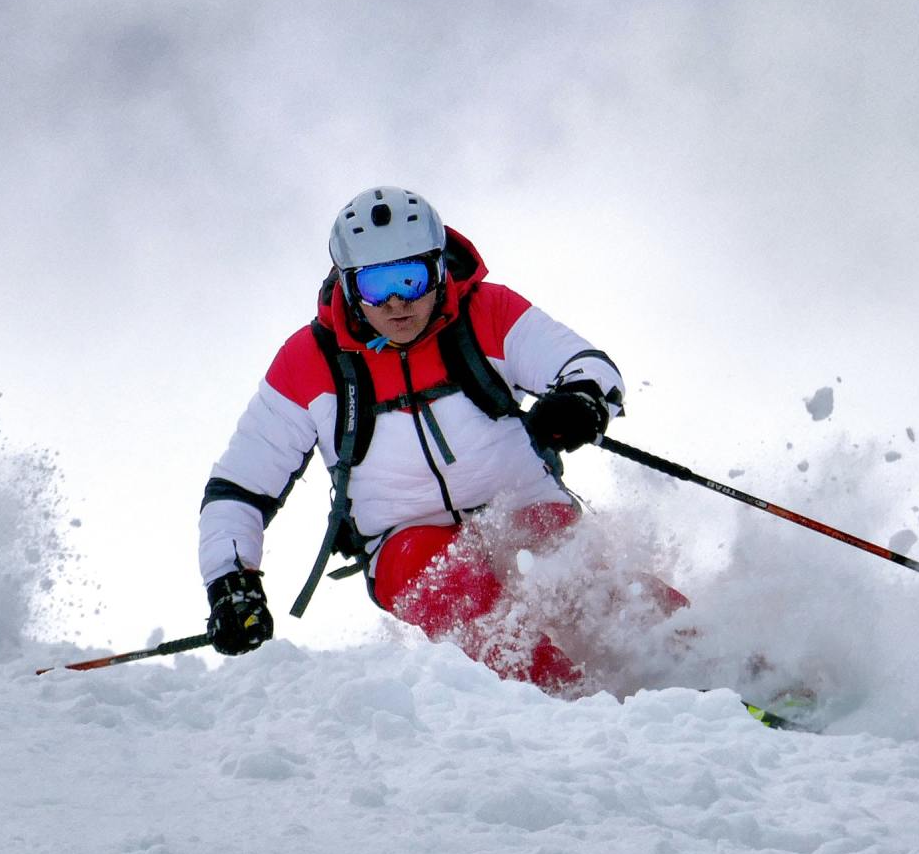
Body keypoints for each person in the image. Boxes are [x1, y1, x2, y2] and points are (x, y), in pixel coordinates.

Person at [198, 185, 680, 692]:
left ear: (438, 268)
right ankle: (568, 705)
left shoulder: (486, 312)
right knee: (459, 591)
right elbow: (238, 488)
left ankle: (714, 664)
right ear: (348, 284)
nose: (397, 301)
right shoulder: (309, 362)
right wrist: (230, 580)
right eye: (376, 284)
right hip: (404, 538)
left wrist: (582, 399)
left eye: (410, 277)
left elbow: (585, 365)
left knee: (585, 580)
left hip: (519, 505)